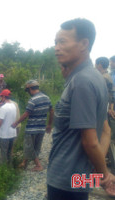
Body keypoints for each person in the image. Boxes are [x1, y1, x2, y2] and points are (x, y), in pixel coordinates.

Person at [47, 18, 115, 200]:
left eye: (62, 41)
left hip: (65, 182)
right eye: (55, 42)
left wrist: (104, 175)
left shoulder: (82, 81)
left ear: (84, 43)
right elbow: (106, 129)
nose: (56, 48)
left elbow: (90, 142)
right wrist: (98, 171)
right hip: (78, 179)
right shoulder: (94, 77)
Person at [12, 80, 53, 171]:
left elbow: (26, 114)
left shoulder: (32, 100)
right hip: (41, 128)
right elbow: (51, 111)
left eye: (28, 90)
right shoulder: (47, 98)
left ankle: (38, 165)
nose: (28, 93)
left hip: (31, 128)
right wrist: (49, 124)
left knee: (28, 146)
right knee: (36, 146)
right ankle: (24, 162)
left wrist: (16, 123)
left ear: (30, 89)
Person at [0, 89, 17, 165]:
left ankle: (2, 170)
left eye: (1, 96)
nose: (1, 98)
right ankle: (10, 167)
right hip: (12, 133)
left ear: (4, 97)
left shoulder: (3, 108)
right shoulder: (13, 106)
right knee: (9, 152)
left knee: (3, 153)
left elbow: (0, 122)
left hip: (5, 134)